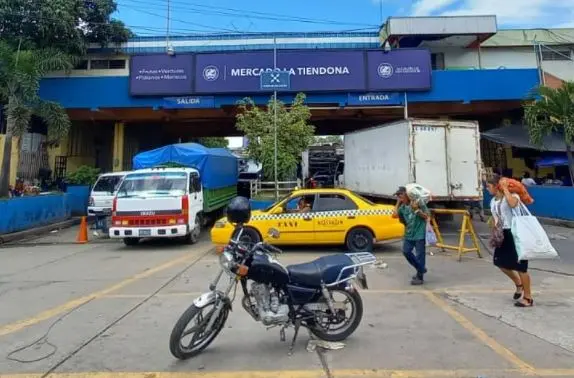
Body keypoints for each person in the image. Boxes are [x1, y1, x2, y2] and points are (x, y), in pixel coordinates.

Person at [486, 175, 534, 307]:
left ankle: (528, 298)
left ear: (497, 186)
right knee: (500, 262)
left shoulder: (513, 197)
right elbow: (496, 217)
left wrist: (506, 189)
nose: (487, 189)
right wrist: (495, 228)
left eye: (489, 186)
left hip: (516, 233)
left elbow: (513, 204)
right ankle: (518, 284)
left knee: (521, 267)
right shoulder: (493, 201)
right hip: (503, 234)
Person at [392, 186, 430, 285]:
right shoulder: (402, 208)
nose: (400, 197)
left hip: (419, 233)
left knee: (420, 255)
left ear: (407, 194)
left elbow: (427, 216)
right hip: (409, 234)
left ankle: (420, 277)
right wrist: (398, 202)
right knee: (406, 251)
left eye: (401, 195)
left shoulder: (418, 203)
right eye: (398, 196)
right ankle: (421, 269)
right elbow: (395, 215)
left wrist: (417, 210)